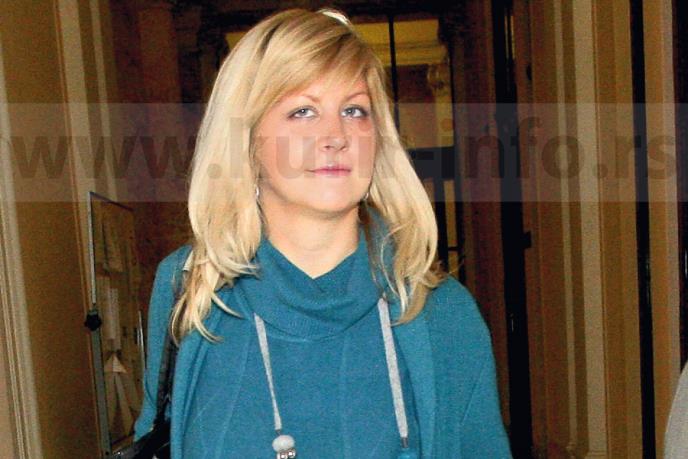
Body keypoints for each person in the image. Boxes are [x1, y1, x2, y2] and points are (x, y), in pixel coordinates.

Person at [133, 7, 512, 459]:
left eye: (354, 110)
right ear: (247, 140)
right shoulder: (189, 290)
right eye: (303, 111)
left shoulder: (442, 313)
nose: (336, 135)